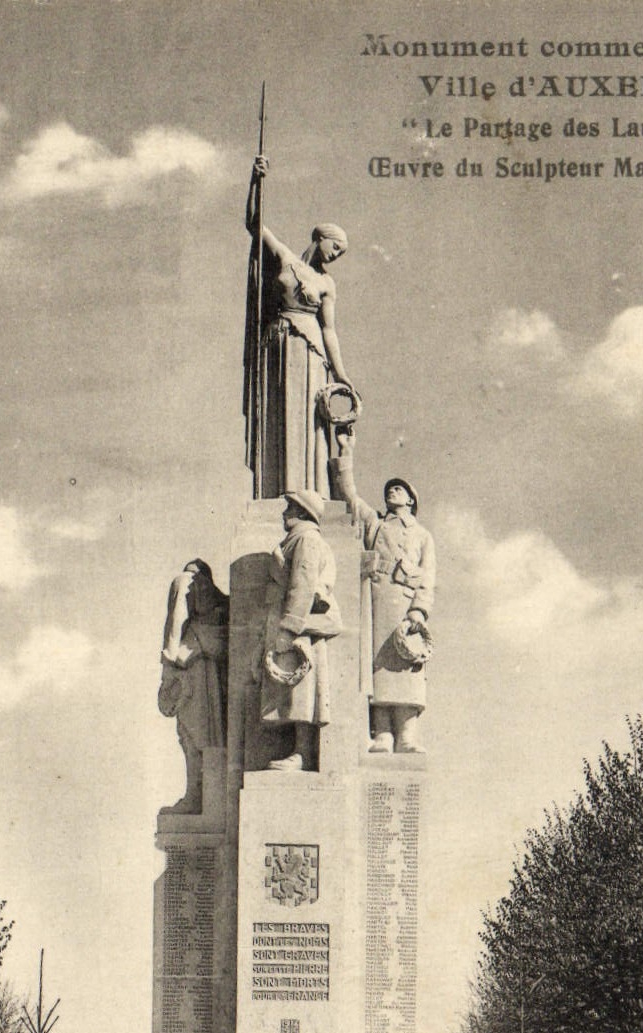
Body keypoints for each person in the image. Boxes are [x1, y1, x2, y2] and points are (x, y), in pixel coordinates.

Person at [244, 154, 358, 500]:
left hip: (311, 350)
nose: (336, 255)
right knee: (278, 413)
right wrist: (256, 181)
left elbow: (329, 330)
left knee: (307, 419)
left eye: (341, 253)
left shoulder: (327, 284)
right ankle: (275, 488)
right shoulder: (285, 258)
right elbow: (254, 224)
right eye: (335, 247)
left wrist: (341, 373)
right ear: (320, 238)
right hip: (278, 343)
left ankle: (309, 492)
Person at [330, 429, 436, 753]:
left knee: (406, 668)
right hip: (376, 603)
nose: (392, 491)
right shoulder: (375, 524)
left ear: (411, 501)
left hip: (405, 606)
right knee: (377, 669)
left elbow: (428, 575)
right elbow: (349, 495)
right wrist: (346, 451)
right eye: (390, 488)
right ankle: (383, 734)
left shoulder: (422, 535)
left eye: (399, 489)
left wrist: (418, 610)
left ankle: (406, 735)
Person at [257, 489, 342, 771]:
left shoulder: (306, 539)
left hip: (299, 629)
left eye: (290, 508)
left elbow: (302, 584)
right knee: (290, 695)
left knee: (301, 695)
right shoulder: (296, 539)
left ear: (303, 512)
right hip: (289, 626)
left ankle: (302, 753)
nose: (285, 513)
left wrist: (289, 629)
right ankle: (296, 750)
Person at [158, 559, 228, 812]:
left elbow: (175, 623)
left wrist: (168, 662)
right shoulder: (220, 605)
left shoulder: (184, 581)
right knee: (201, 735)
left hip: (189, 665)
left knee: (192, 734)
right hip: (202, 663)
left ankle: (196, 797)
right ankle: (201, 797)